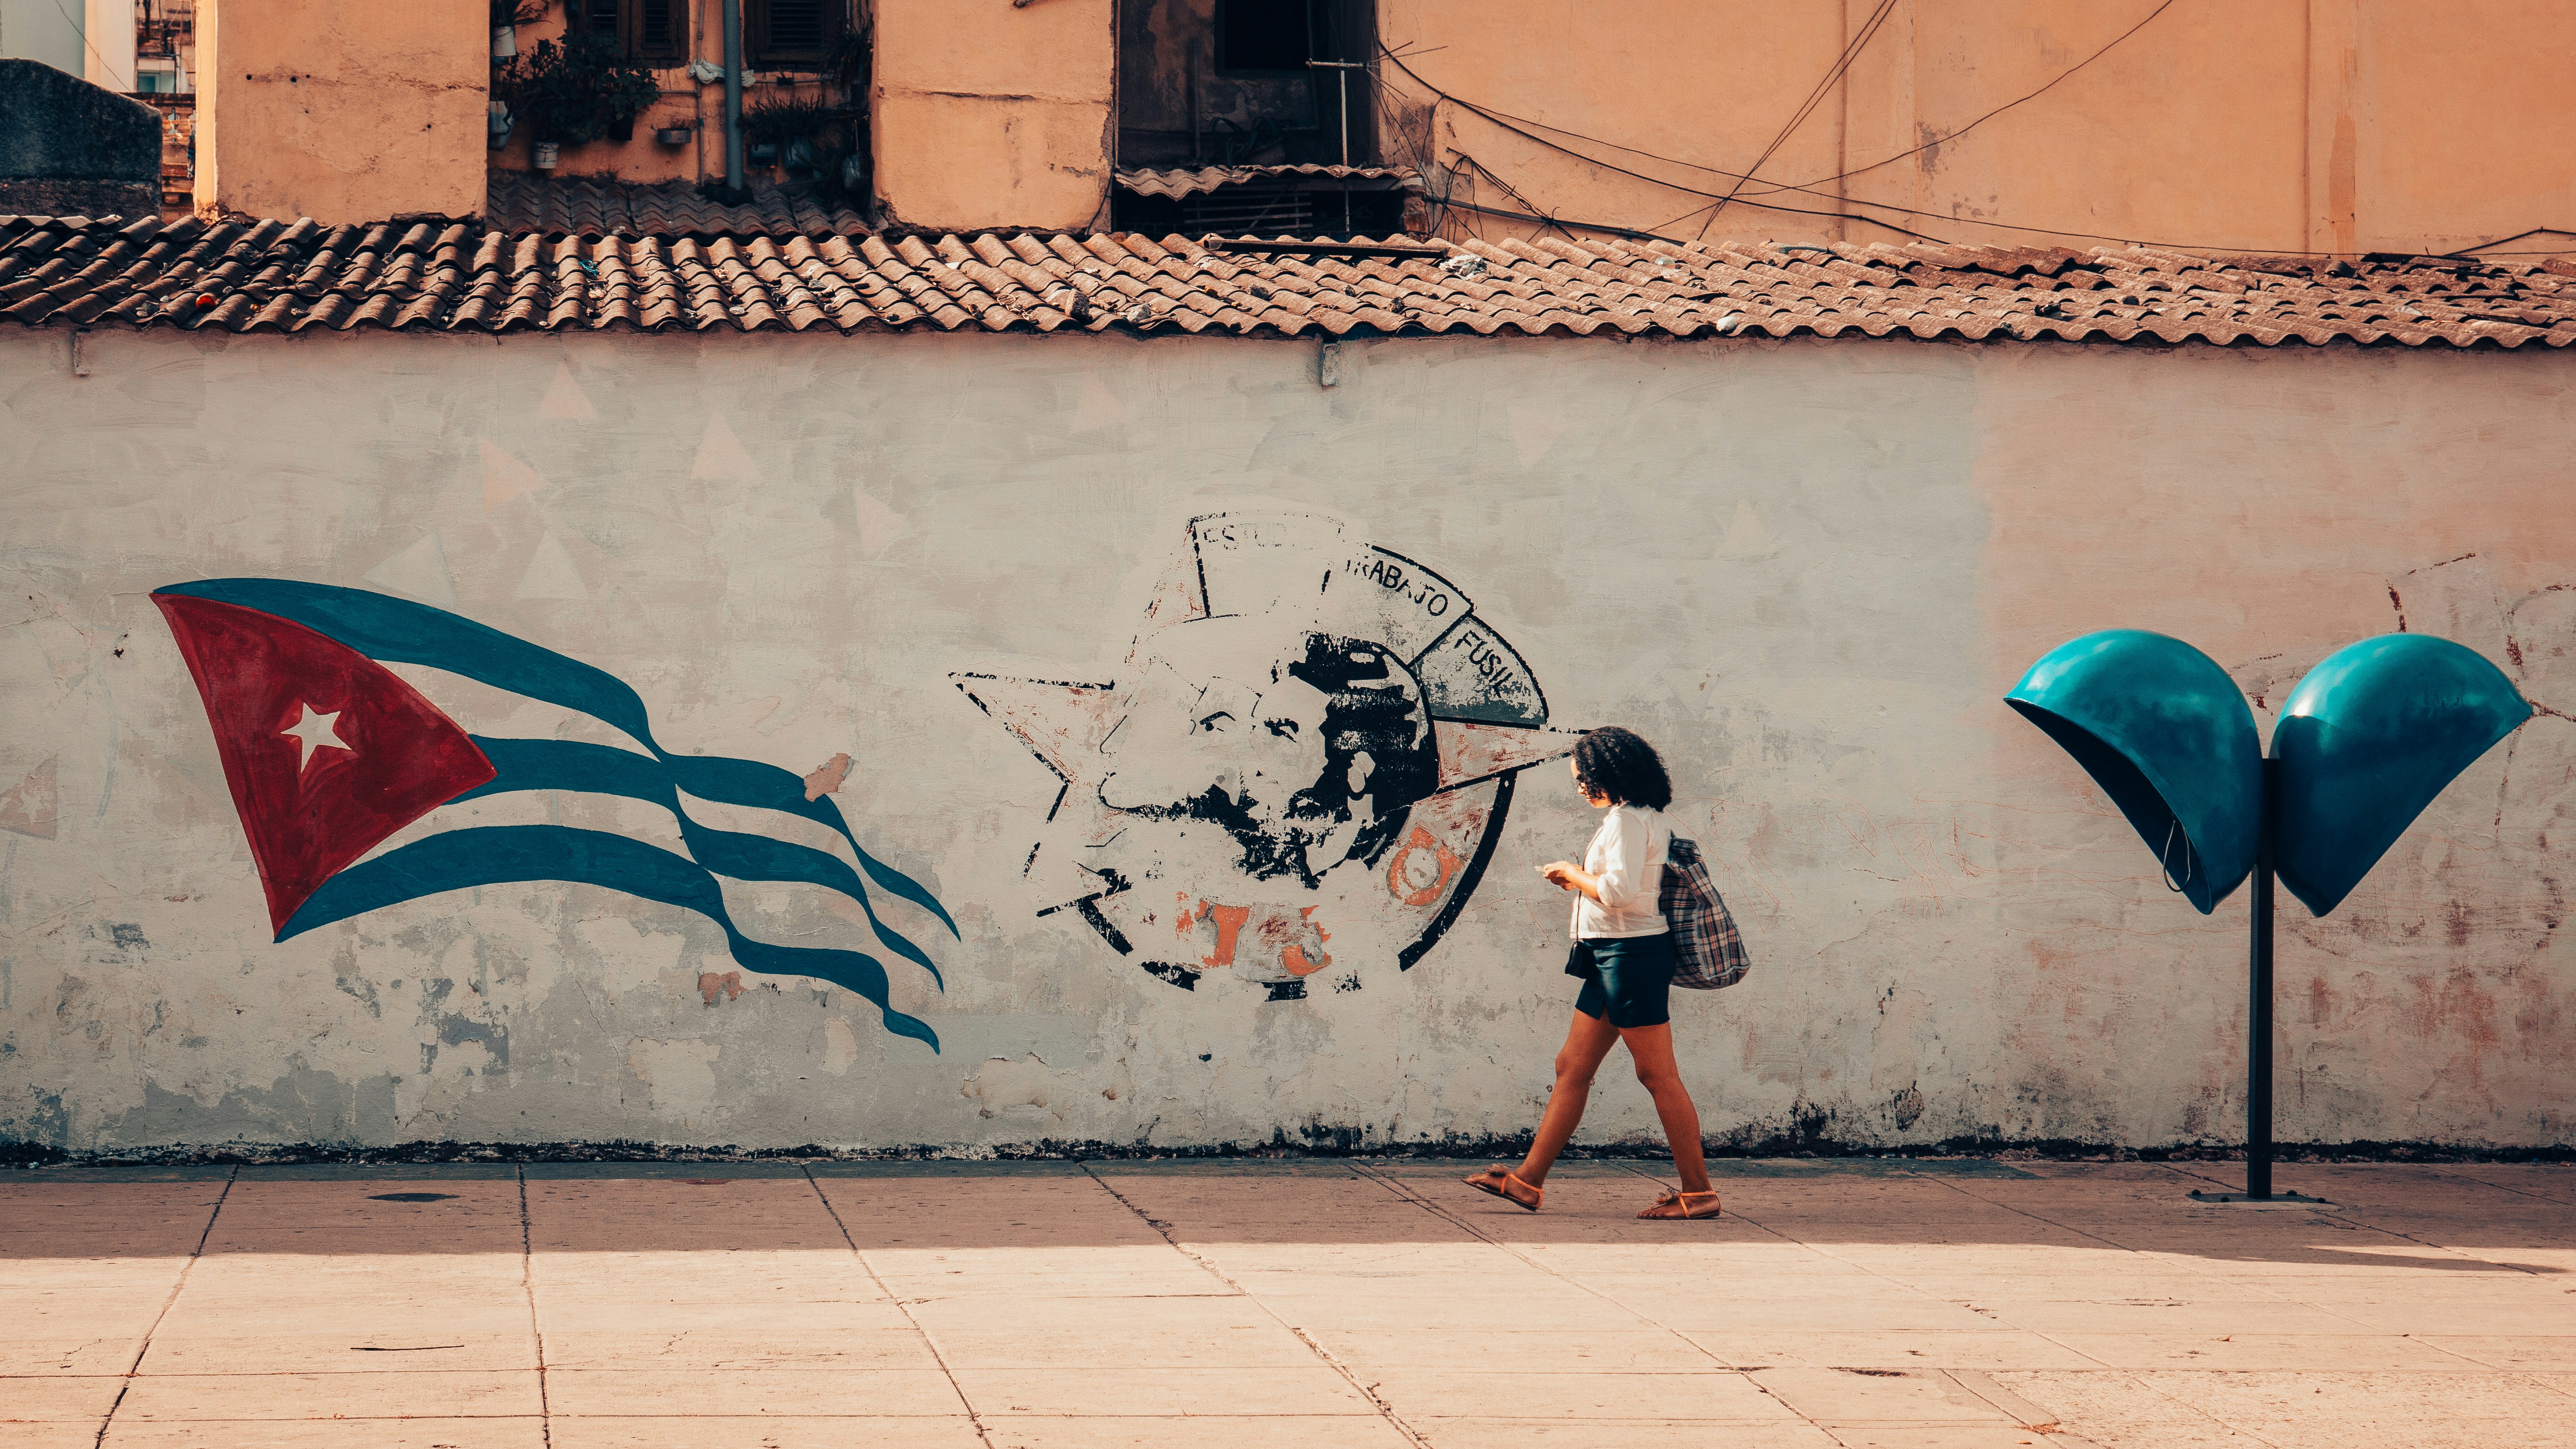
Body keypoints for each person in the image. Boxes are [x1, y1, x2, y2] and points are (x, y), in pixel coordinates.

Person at [1465, 727, 1720, 1220]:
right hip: (1614, 955)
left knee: (1656, 1073)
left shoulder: (1627, 820)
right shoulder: (1639, 818)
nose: (1581, 787)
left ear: (1613, 773)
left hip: (1631, 957)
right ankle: (1527, 1182)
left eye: (1586, 779)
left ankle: (1699, 1192)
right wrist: (1584, 884)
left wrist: (1570, 874)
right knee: (1573, 1066)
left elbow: (1620, 893)